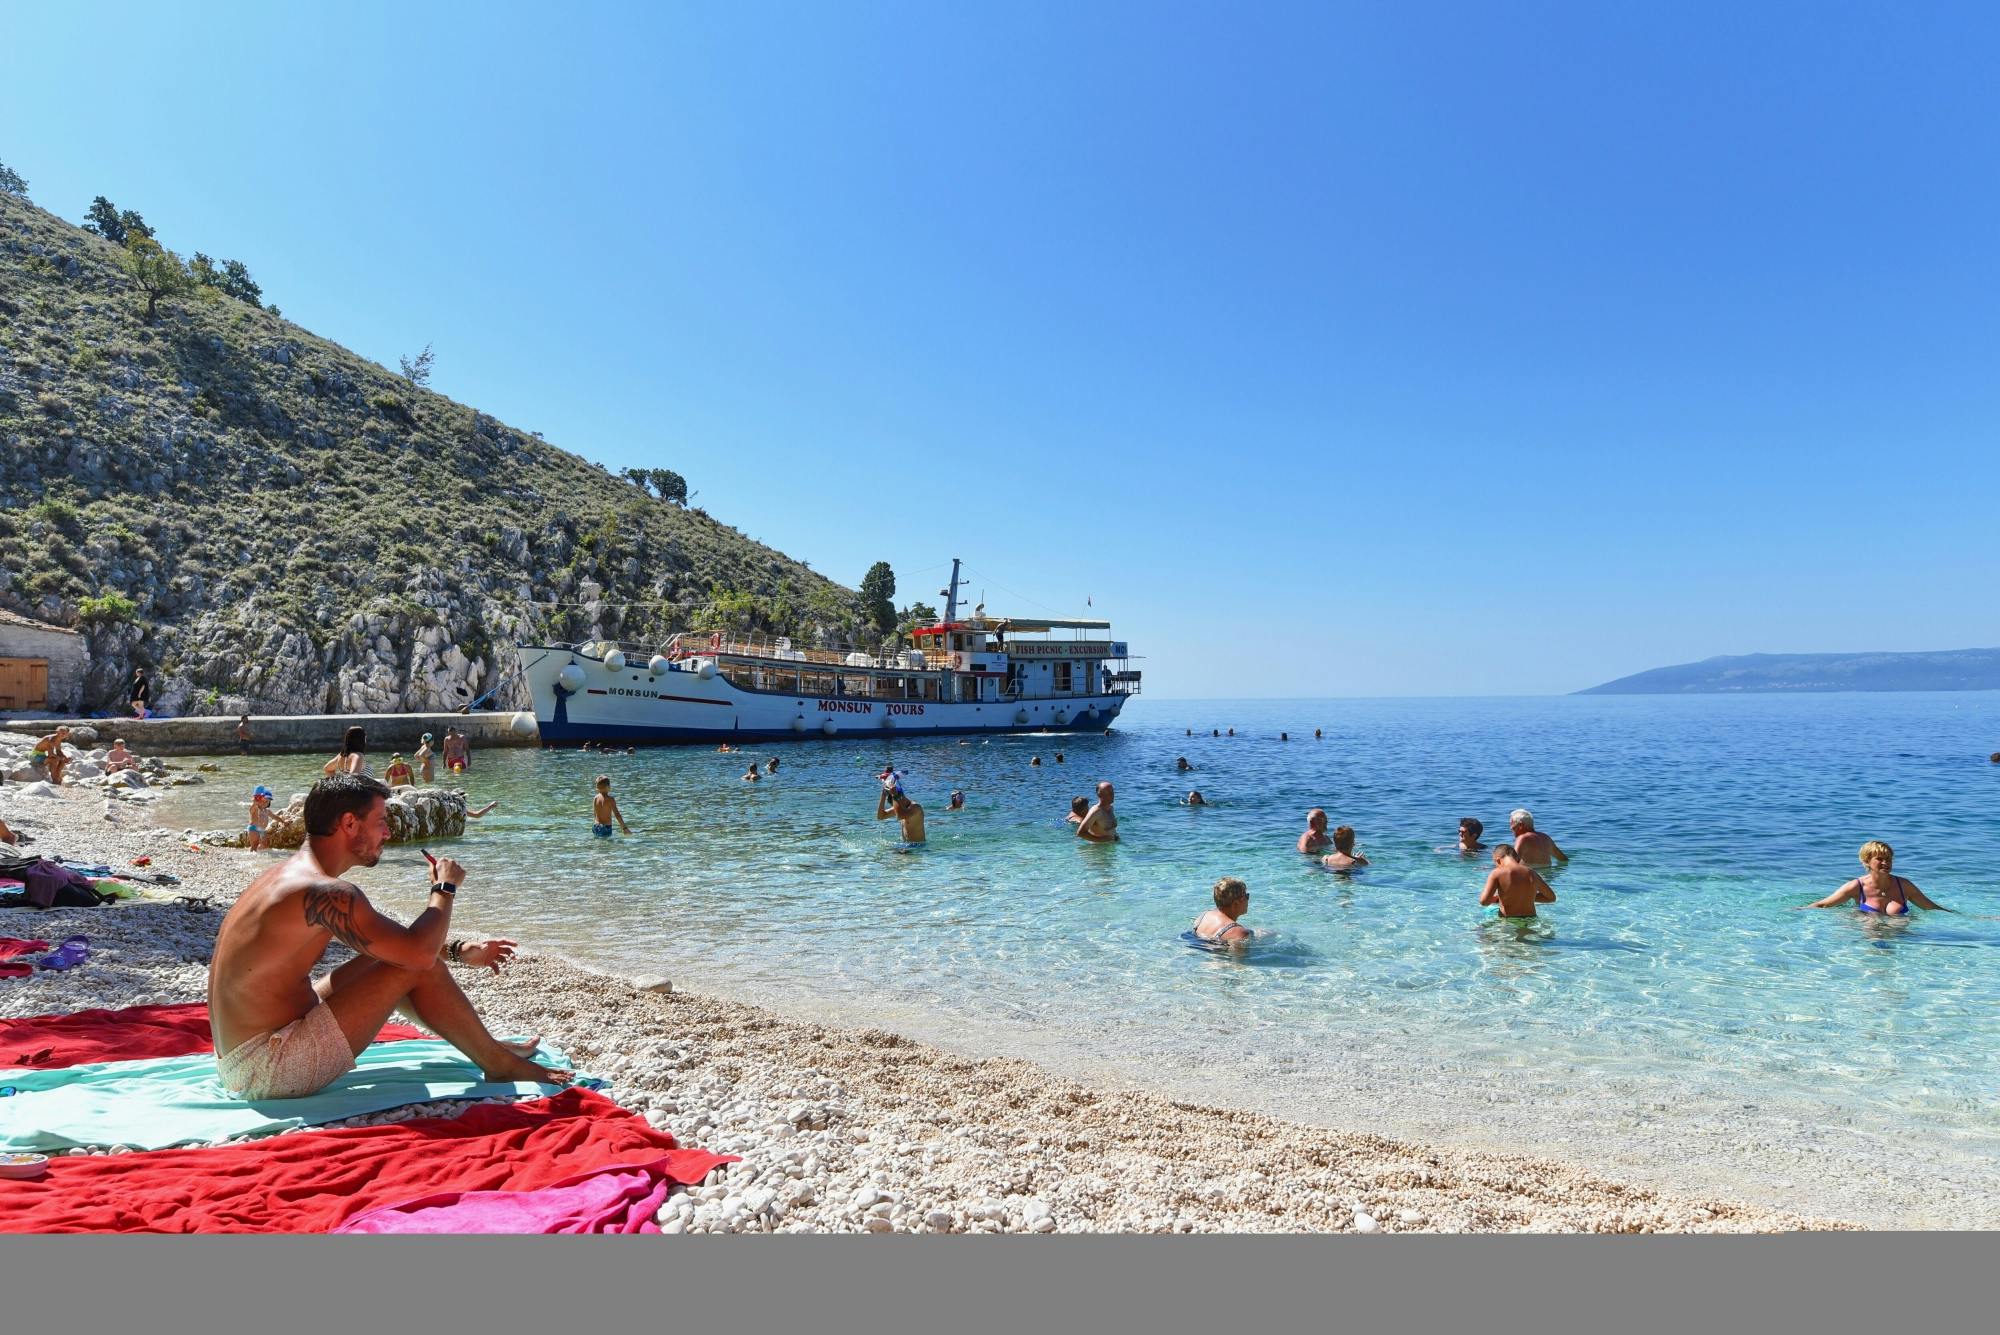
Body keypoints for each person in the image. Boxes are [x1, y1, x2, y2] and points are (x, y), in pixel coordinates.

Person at [206, 772, 567, 1100]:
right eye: (381, 822)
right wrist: (444, 887)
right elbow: (419, 957)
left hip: (243, 1057)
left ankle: (488, 1048)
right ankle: (499, 1064)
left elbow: (394, 947)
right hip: (266, 1068)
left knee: (395, 957)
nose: (388, 834)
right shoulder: (327, 891)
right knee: (413, 965)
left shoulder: (287, 876)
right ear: (349, 823)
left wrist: (456, 950)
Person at [1802, 841, 1952, 913]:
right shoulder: (1856, 886)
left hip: (1901, 940)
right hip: (1869, 937)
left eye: (1889, 859)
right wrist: (1794, 911)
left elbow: (1932, 908)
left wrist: (1967, 918)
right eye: (1880, 859)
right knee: (1870, 923)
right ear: (1867, 861)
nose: (1886, 862)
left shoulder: (1903, 885)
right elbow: (1824, 904)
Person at [1480, 845, 1555, 918]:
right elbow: (1551, 898)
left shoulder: (1497, 873)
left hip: (1508, 920)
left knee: (1480, 927)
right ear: (1518, 859)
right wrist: (1525, 897)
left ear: (1498, 860)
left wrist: (1497, 899)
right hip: (1530, 918)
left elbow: (1484, 901)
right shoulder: (1532, 873)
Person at [1192, 877, 1254, 947]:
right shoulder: (1239, 933)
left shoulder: (1203, 917)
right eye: (1246, 896)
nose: (1248, 900)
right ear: (1236, 903)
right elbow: (1238, 957)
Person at [245, 786, 274, 851]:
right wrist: (255, 802)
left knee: (265, 844)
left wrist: (283, 822)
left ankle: (259, 853)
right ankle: (251, 854)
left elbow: (274, 816)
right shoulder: (255, 808)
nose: (265, 803)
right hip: (253, 828)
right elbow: (251, 810)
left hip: (262, 830)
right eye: (263, 801)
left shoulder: (267, 811)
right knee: (255, 844)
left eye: (267, 802)